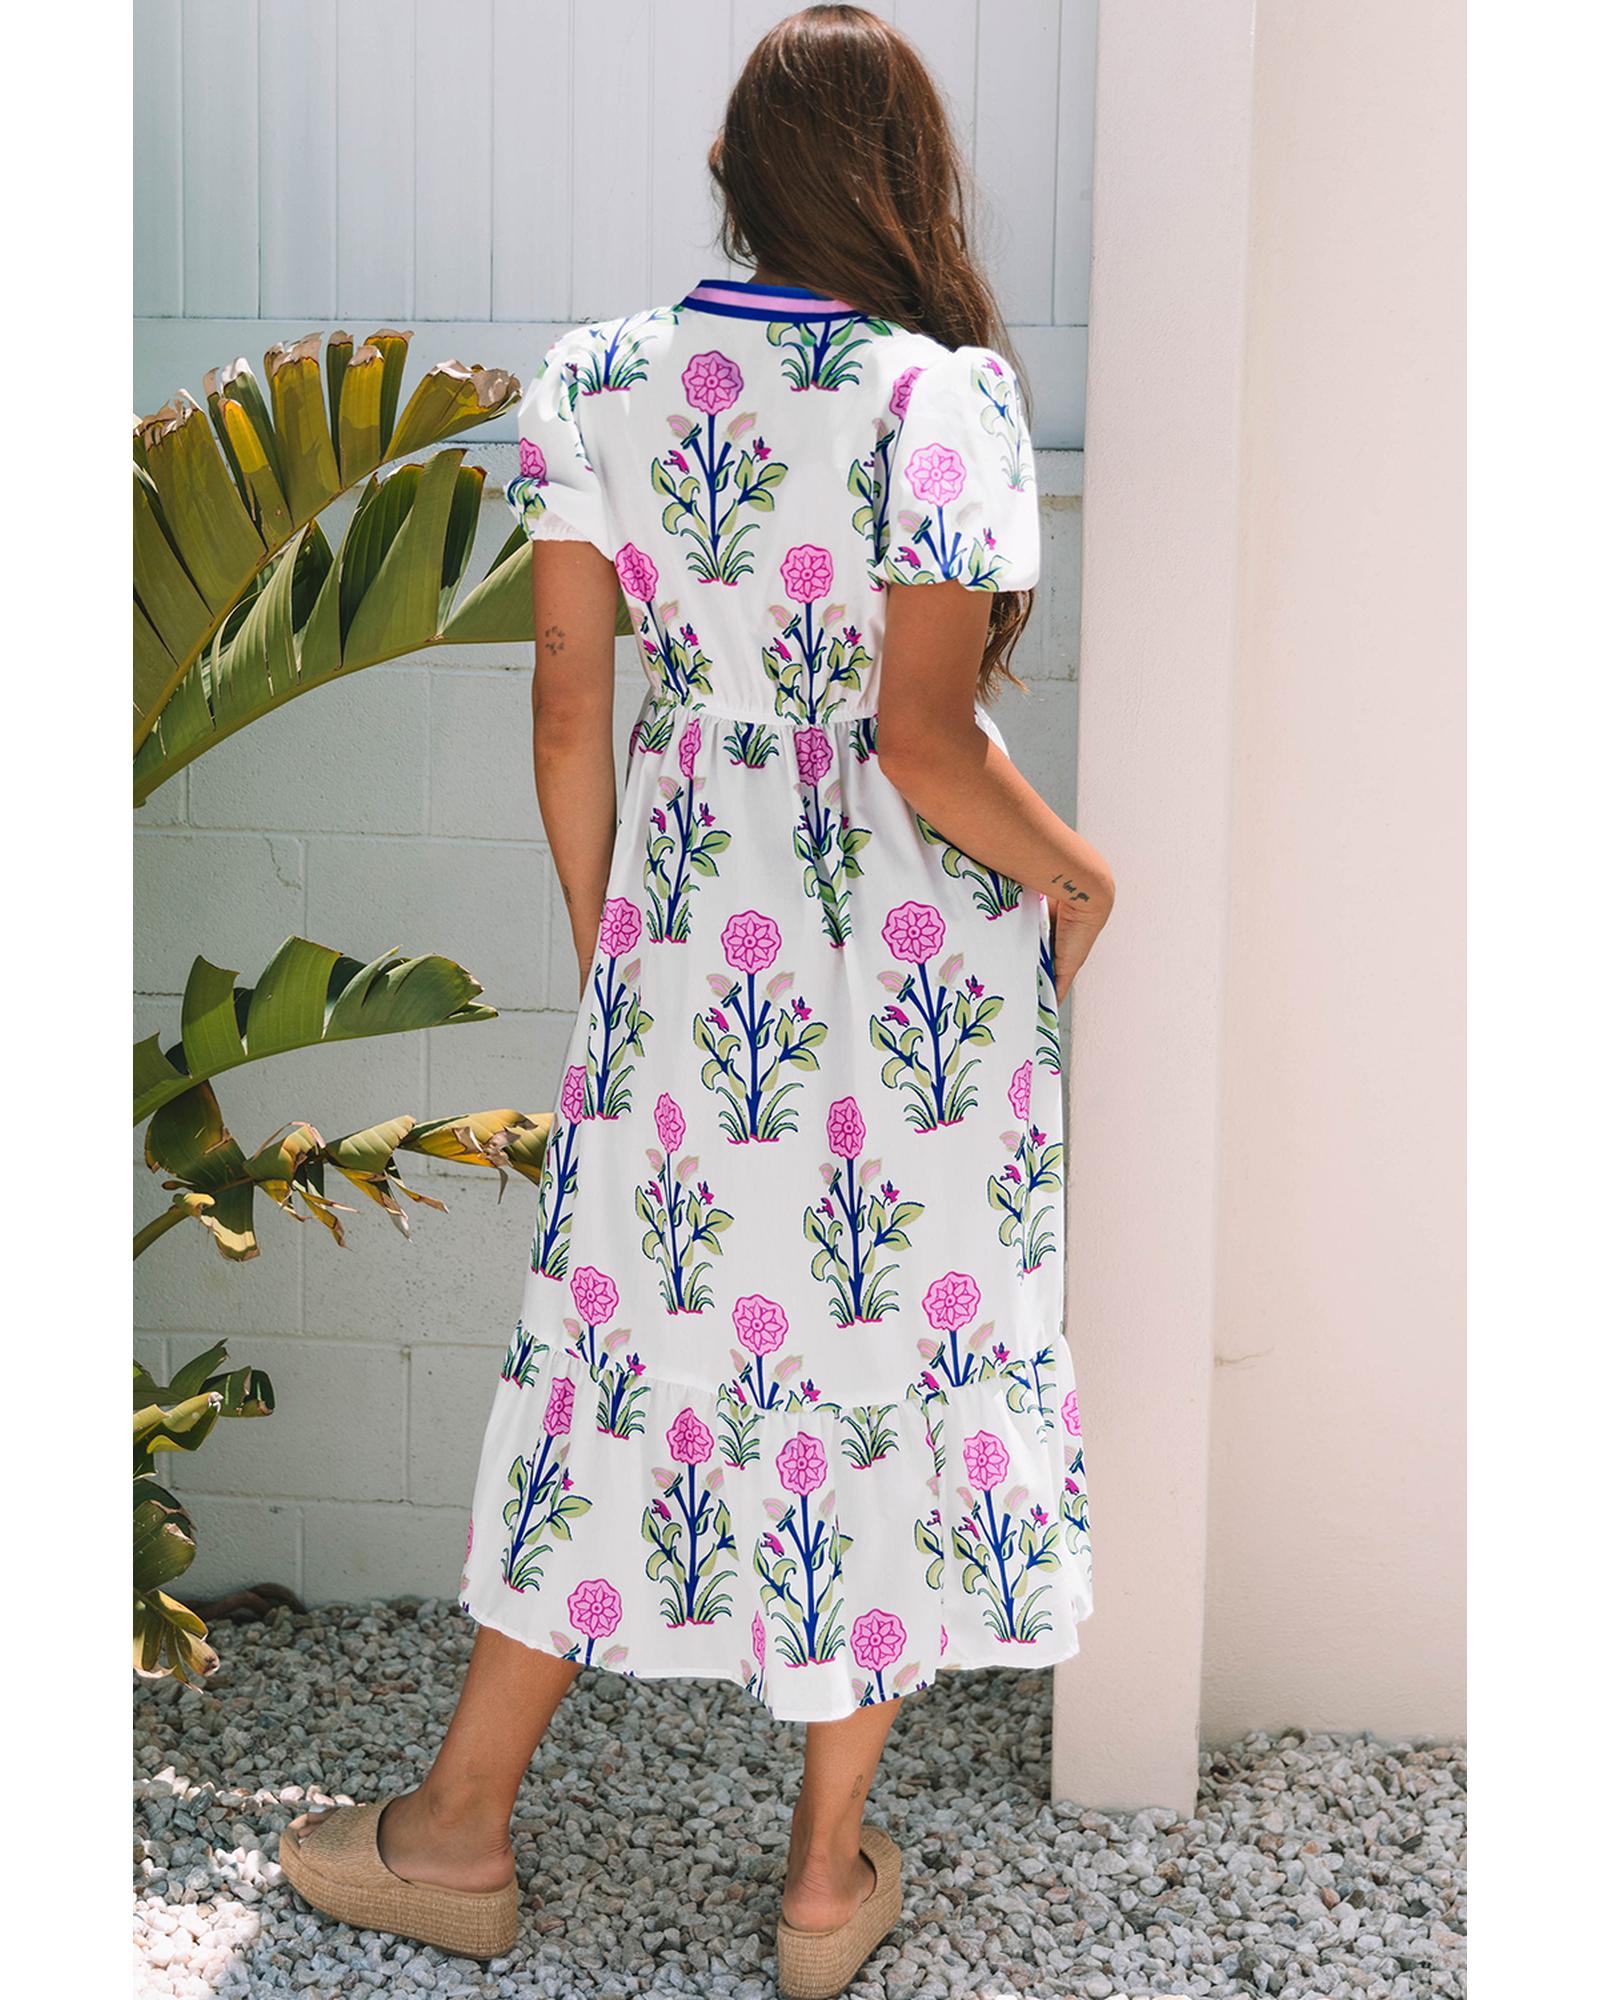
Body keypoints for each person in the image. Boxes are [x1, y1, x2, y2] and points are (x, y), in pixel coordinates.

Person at [277, 7, 1114, 1993]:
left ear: (732, 176)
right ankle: (822, 1884)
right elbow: (922, 742)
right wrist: (1083, 879)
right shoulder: (937, 396)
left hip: (686, 950)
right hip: (915, 987)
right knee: (894, 1348)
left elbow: (570, 709)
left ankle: (457, 1834)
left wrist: (615, 952)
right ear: (907, 182)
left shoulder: (596, 381)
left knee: (624, 1341)